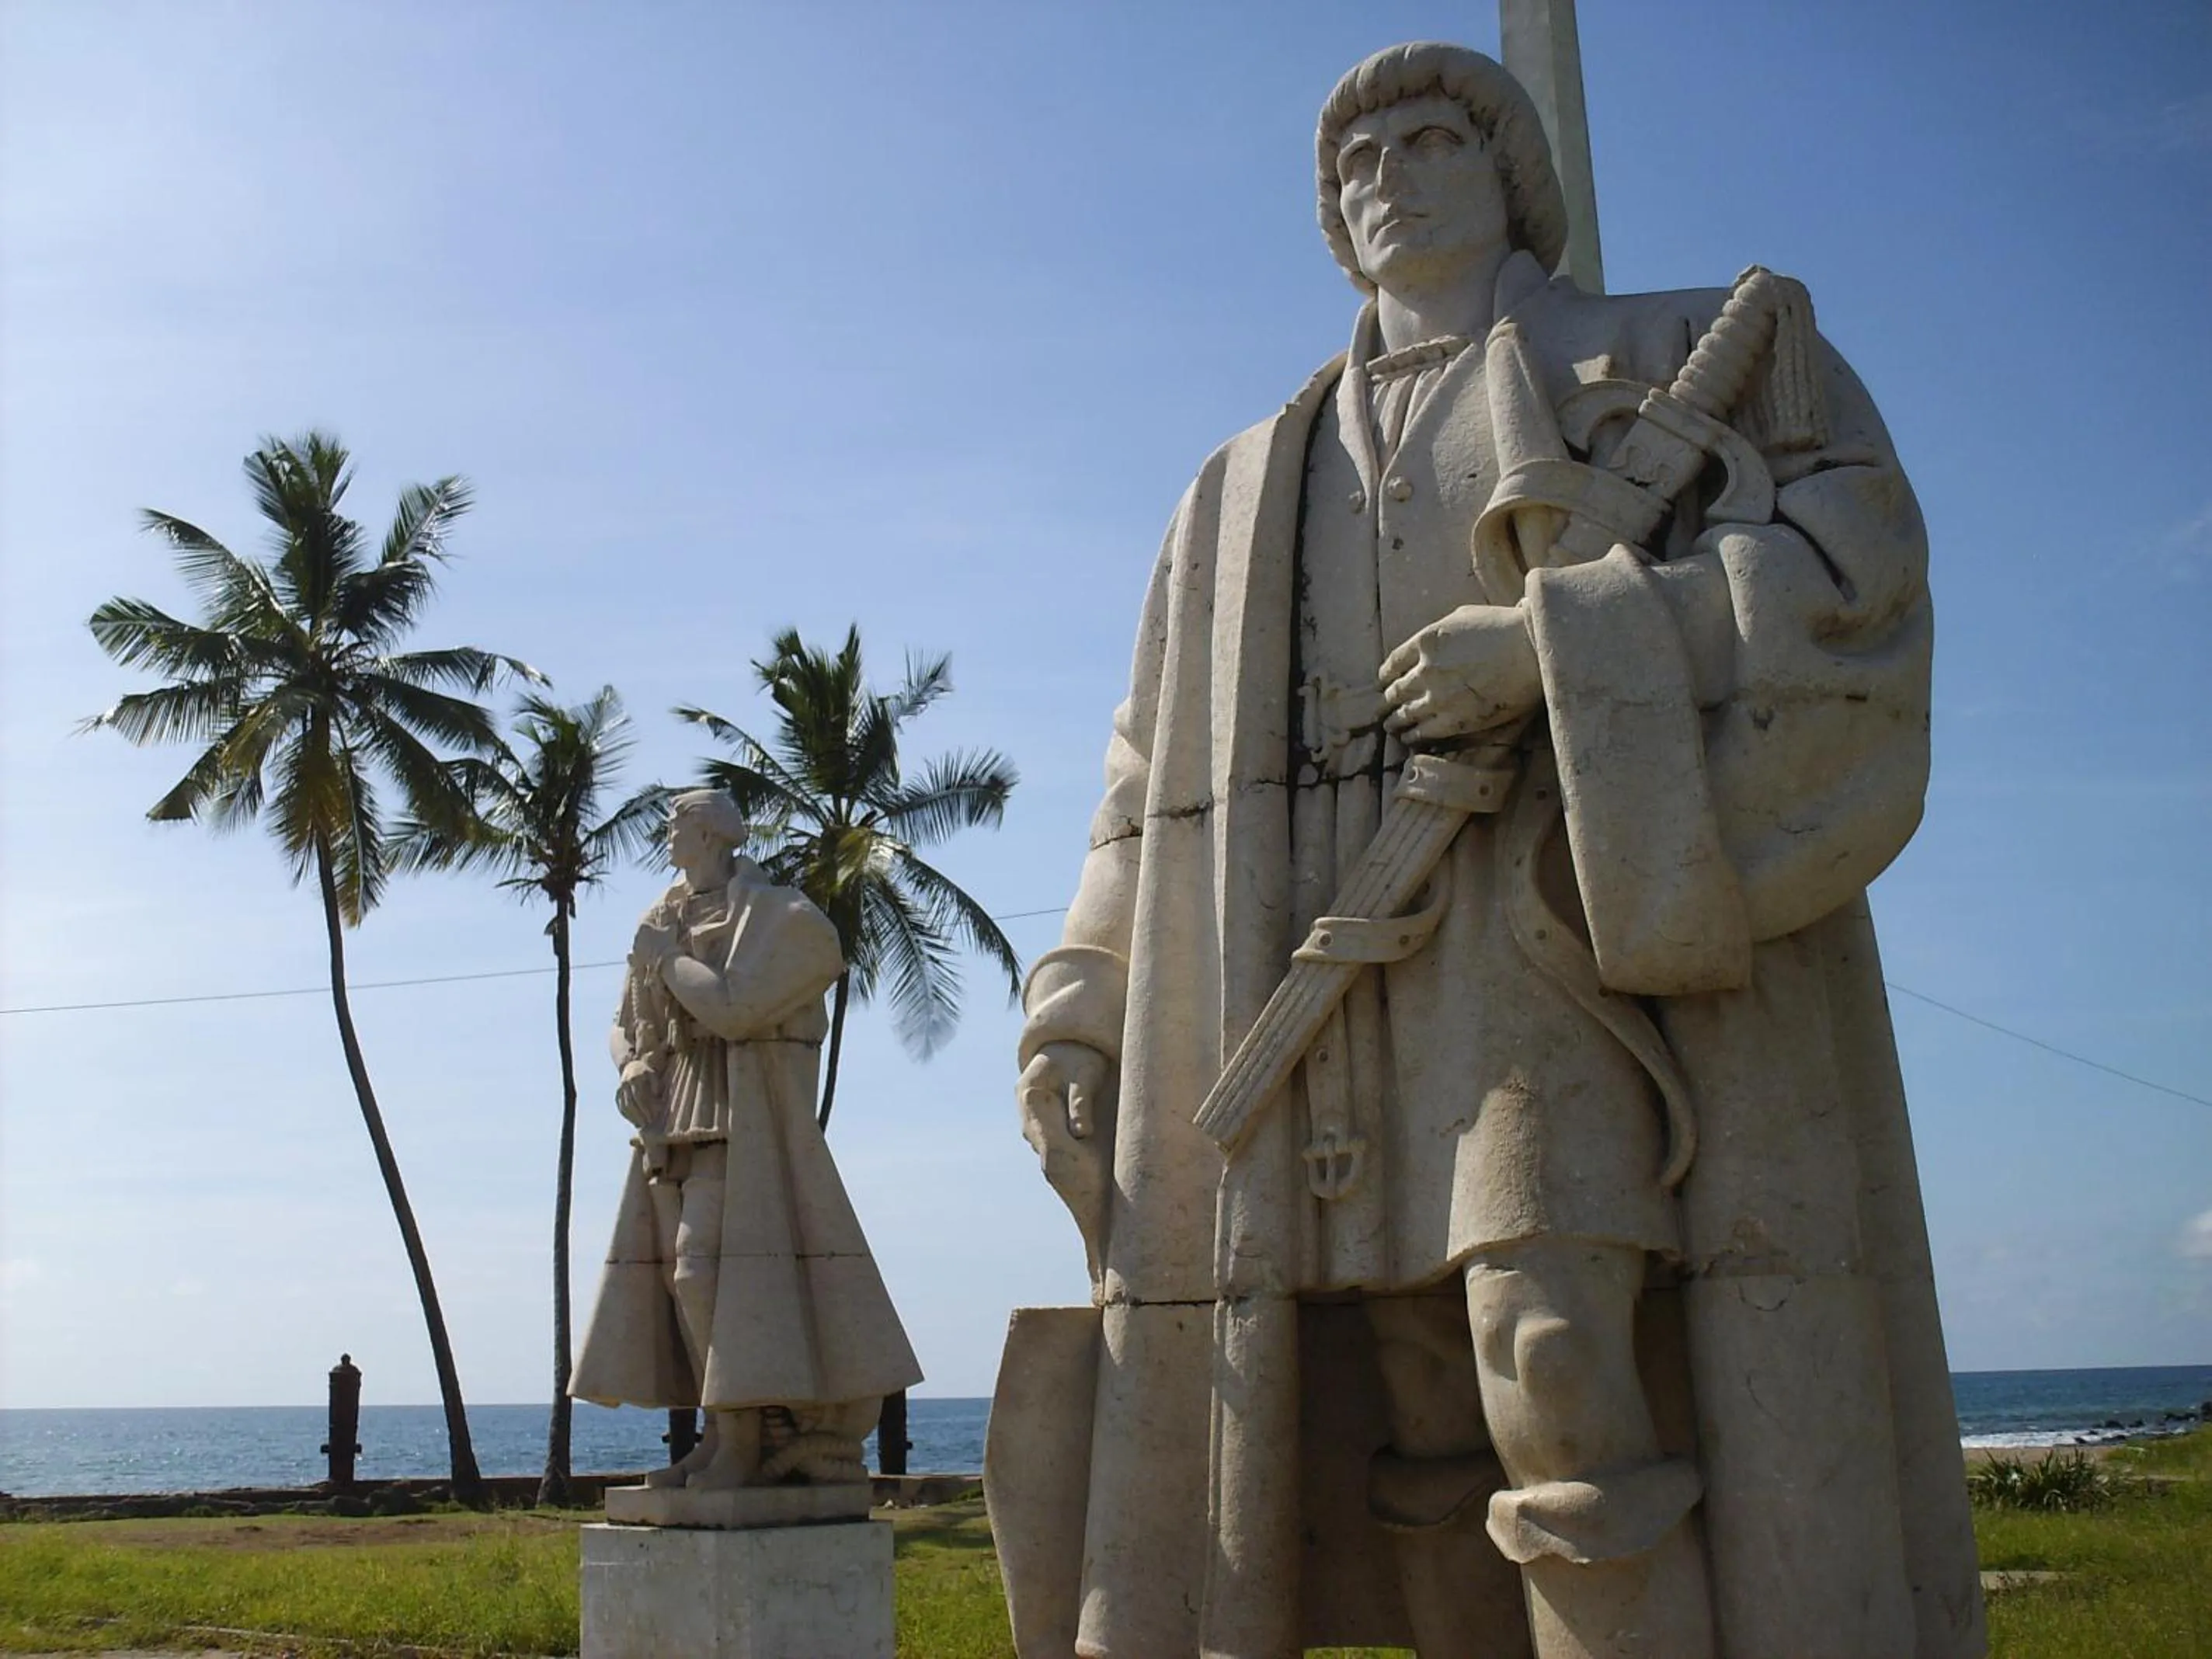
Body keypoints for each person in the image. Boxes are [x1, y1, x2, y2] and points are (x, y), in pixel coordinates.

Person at [993, 40, 1983, 1659]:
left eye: (1429, 139)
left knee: (1549, 1354)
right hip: (1304, 973)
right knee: (1413, 1387)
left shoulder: (1687, 358)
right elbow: (1142, 790)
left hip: (1547, 940)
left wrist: (1555, 644)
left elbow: (1848, 576)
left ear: (1510, 174)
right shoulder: (1233, 487)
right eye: (1354, 161)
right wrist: (1080, 1001)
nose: (1384, 175)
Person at [570, 788, 921, 1488]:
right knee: (681, 1281)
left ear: (709, 834)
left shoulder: (783, 918)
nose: (667, 837)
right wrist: (631, 1063)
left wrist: (667, 960)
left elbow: (733, 1011)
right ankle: (724, 1434)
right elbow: (622, 1019)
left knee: (700, 1275)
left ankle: (742, 1441)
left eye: (677, 825)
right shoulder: (663, 917)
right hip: (674, 1118)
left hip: (745, 1120)